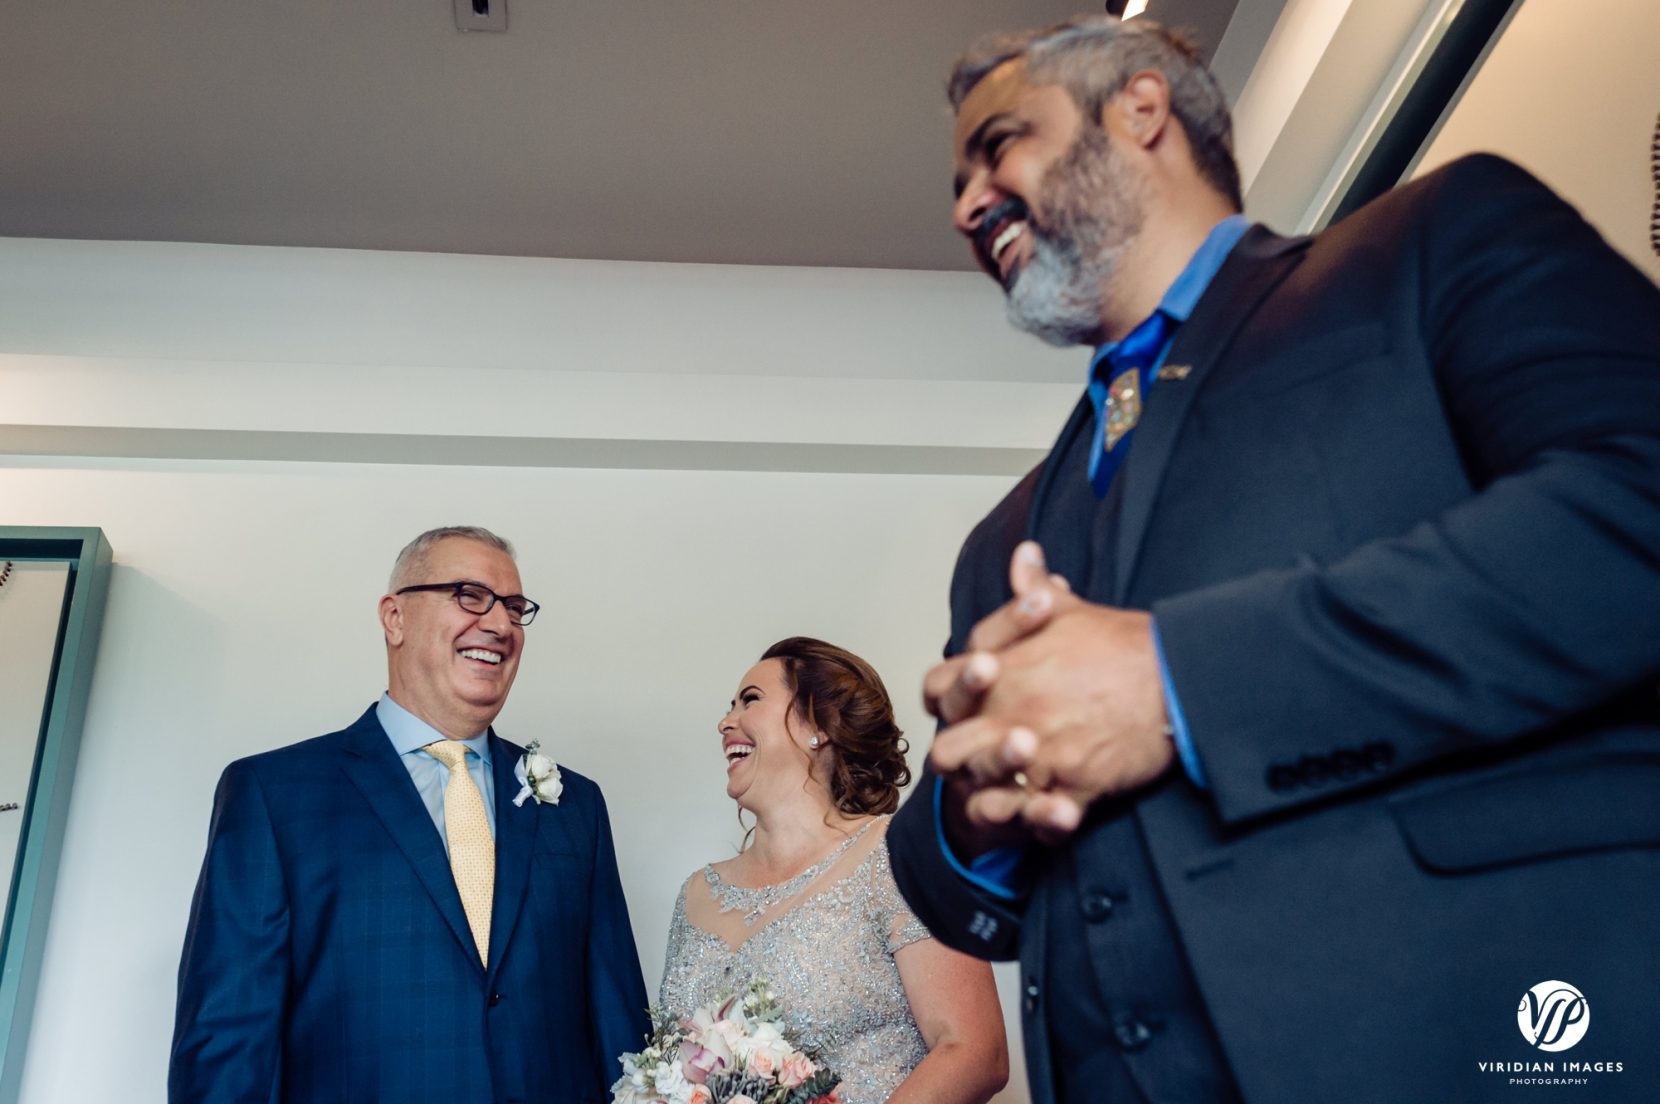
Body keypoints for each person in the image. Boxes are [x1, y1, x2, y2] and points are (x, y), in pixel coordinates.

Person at [885, 14, 1660, 1104]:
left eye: (999, 143)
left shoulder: (1437, 242)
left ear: (1141, 109)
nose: (966, 203)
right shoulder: (1000, 543)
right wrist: (968, 799)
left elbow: (1637, 499)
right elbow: (961, 890)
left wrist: (1177, 681)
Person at [170, 526, 649, 1104]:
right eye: (470, 595)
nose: (499, 625)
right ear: (394, 618)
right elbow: (228, 1037)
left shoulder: (577, 805)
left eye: (515, 608)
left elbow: (619, 1026)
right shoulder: (273, 794)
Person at [658, 637, 1008, 1104]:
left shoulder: (900, 855)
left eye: (751, 700)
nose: (726, 723)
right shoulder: (696, 894)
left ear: (818, 725)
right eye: (730, 707)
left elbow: (974, 1051)